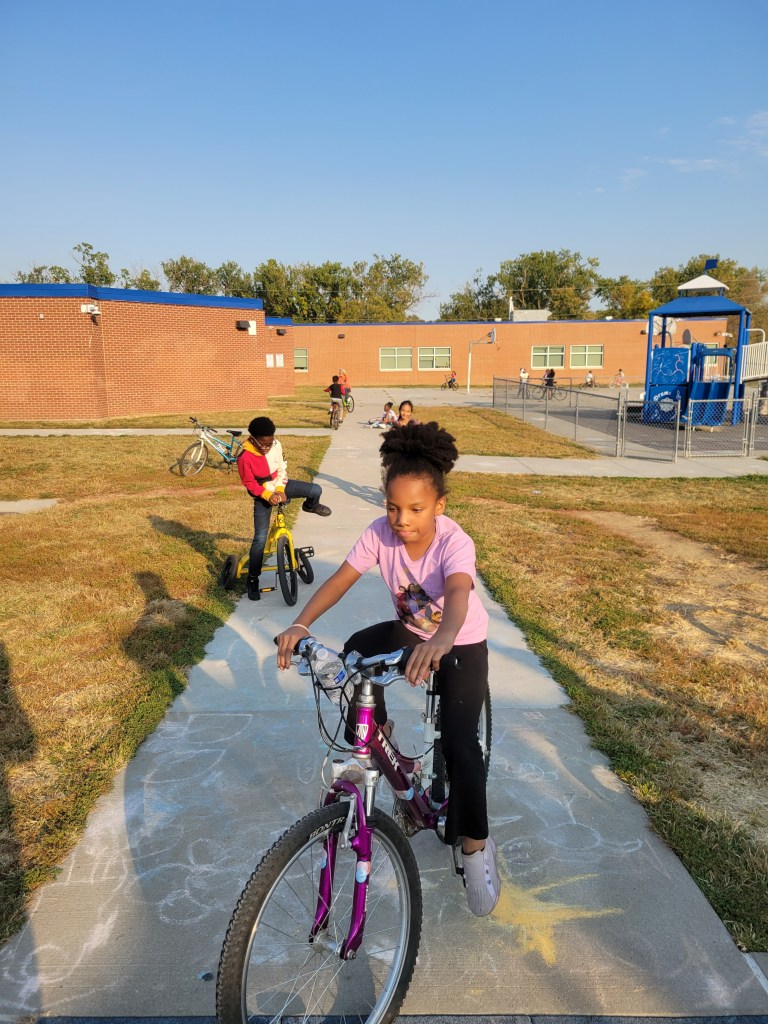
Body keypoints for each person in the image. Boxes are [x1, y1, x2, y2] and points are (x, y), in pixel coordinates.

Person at [276, 421, 500, 916]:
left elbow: (458, 593)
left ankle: (476, 847)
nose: (402, 519)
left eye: (416, 509)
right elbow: (342, 579)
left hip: (459, 640)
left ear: (439, 506)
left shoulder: (454, 542)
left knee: (461, 745)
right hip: (412, 631)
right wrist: (301, 623)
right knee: (355, 653)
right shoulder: (380, 534)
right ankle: (382, 741)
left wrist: (443, 638)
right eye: (393, 507)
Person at [238, 416, 331, 601]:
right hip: (263, 493)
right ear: (252, 439)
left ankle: (310, 506)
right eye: (262, 444)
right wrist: (267, 495)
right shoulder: (244, 457)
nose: (267, 447)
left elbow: (282, 469)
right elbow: (249, 483)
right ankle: (253, 579)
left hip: (280, 485)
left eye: (269, 443)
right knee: (260, 539)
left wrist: (281, 489)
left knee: (315, 490)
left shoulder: (276, 445)